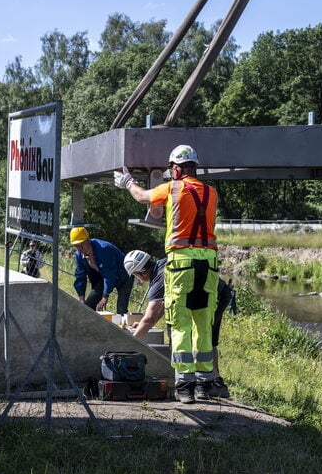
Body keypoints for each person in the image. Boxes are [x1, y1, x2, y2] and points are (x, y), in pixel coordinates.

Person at [114, 144, 220, 404]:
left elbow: (142, 197)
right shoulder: (211, 192)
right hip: (209, 263)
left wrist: (127, 181)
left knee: (180, 323)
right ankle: (204, 384)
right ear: (194, 166)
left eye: (171, 168)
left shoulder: (172, 188)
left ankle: (184, 385)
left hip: (182, 262)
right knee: (202, 322)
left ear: (175, 168)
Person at [124, 249, 233, 398]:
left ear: (140, 274)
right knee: (204, 337)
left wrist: (131, 343)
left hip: (213, 295)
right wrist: (143, 323)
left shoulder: (159, 279)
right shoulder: (164, 264)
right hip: (212, 291)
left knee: (202, 337)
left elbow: (150, 318)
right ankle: (208, 381)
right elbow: (166, 305)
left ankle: (215, 383)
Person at [70, 226, 135, 315]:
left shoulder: (104, 249)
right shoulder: (79, 255)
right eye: (77, 246)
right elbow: (80, 276)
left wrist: (105, 296)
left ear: (88, 239)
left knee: (121, 310)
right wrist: (81, 298)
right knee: (88, 306)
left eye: (82, 244)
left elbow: (110, 273)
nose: (80, 248)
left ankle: (124, 325)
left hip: (124, 276)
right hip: (105, 277)